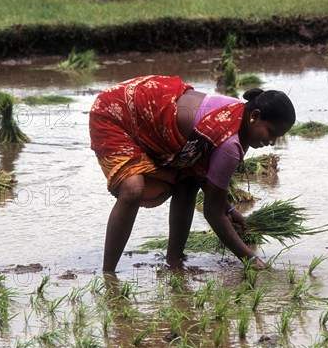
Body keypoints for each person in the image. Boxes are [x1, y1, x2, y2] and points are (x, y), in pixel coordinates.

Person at [89, 75, 296, 272]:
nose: (272, 142)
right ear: (255, 116)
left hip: (151, 109)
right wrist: (250, 258)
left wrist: (230, 211)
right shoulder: (231, 144)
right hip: (116, 111)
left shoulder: (237, 118)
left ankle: (174, 260)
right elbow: (212, 212)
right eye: (272, 133)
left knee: (187, 182)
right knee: (133, 189)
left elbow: (203, 177)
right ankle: (109, 274)